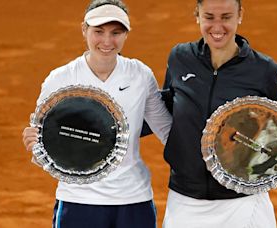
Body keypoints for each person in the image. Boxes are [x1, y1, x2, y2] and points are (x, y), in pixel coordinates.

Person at [22, 0, 172, 227]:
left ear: (126, 35)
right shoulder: (60, 79)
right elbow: (45, 143)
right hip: (78, 201)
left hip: (133, 199)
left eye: (116, 32)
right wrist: (34, 143)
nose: (107, 41)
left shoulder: (140, 75)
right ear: (84, 29)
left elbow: (166, 130)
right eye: (98, 31)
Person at [160, 0, 277, 227]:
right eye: (209, 17)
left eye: (226, 17)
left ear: (240, 15)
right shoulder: (180, 58)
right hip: (185, 201)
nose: (217, 27)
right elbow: (167, 110)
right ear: (197, 15)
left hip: (243, 201)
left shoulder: (264, 71)